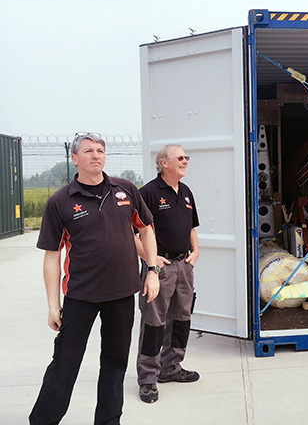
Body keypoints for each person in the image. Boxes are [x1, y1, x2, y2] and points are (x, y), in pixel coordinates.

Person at [29, 132, 161, 425]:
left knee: (115, 364)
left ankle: (109, 420)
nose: (96, 155)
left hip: (122, 294)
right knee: (65, 364)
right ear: (74, 159)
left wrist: (152, 270)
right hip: (81, 296)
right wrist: (53, 305)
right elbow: (52, 257)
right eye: (88, 151)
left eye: (100, 150)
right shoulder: (60, 201)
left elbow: (146, 229)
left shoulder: (125, 190)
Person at [135, 144, 200, 404]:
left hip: (184, 265)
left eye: (186, 157)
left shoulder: (186, 192)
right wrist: (150, 260)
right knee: (154, 323)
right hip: (159, 268)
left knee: (182, 318)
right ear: (164, 163)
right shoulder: (148, 193)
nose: (185, 161)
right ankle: (147, 378)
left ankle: (171, 367)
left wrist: (196, 251)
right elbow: (132, 232)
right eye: (180, 158)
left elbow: (192, 226)